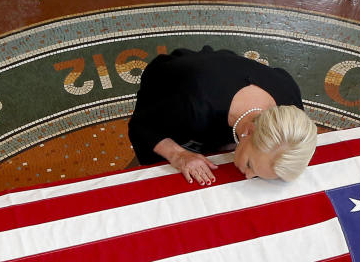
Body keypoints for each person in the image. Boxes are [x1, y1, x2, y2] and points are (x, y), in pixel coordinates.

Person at [128, 46, 318, 185]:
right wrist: (178, 154)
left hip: (218, 83)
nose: (248, 176)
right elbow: (141, 126)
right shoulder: (192, 106)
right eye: (250, 165)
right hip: (170, 89)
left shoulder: (290, 112)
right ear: (249, 131)